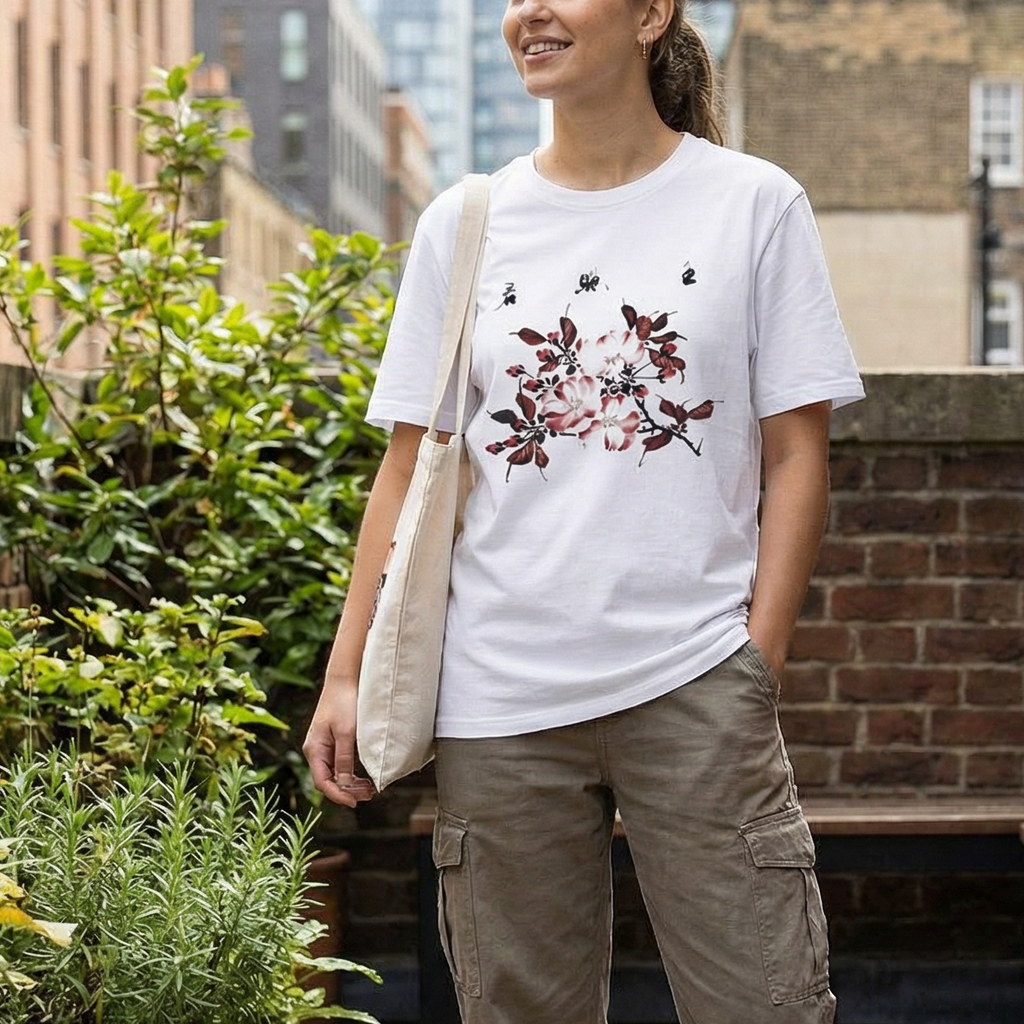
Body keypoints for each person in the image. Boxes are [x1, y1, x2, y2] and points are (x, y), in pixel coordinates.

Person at [304, 1, 865, 1021]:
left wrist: (755, 663)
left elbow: (797, 457)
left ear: (652, 14)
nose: (529, 12)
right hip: (499, 701)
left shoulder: (753, 205)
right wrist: (345, 674)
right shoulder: (465, 222)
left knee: (766, 1004)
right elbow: (406, 469)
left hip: (694, 684)